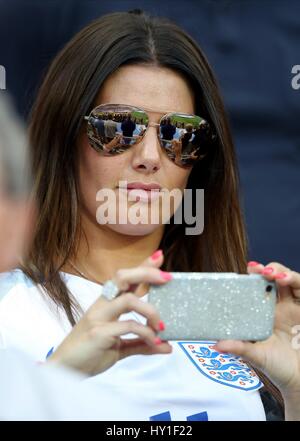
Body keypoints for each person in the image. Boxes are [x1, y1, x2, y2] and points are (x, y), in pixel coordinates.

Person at [0, 9, 299, 421]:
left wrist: (295, 390)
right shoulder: (9, 311)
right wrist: (57, 379)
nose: (149, 157)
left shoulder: (231, 321)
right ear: (64, 139)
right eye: (118, 127)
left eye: (181, 134)